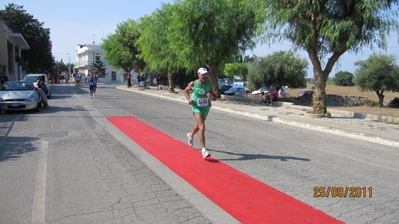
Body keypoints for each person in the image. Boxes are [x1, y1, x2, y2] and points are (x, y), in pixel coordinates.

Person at [184, 67, 217, 159]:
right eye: (202, 74)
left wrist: (212, 97)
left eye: (206, 74)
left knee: (199, 125)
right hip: (196, 107)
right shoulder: (193, 83)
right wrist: (189, 99)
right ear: (198, 74)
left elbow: (215, 97)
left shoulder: (209, 84)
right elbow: (186, 91)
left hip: (205, 108)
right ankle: (204, 151)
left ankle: (190, 135)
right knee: (202, 127)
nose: (204, 76)